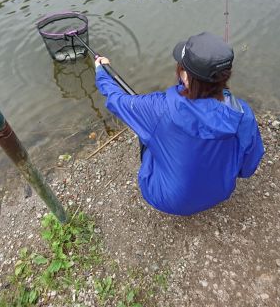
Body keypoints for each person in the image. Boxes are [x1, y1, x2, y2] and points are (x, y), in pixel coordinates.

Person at [95, 32, 264, 216]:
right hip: (221, 192)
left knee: (147, 132)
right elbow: (247, 168)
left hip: (169, 200)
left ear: (185, 76)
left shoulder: (158, 107)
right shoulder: (243, 113)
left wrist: (101, 72)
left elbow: (117, 99)